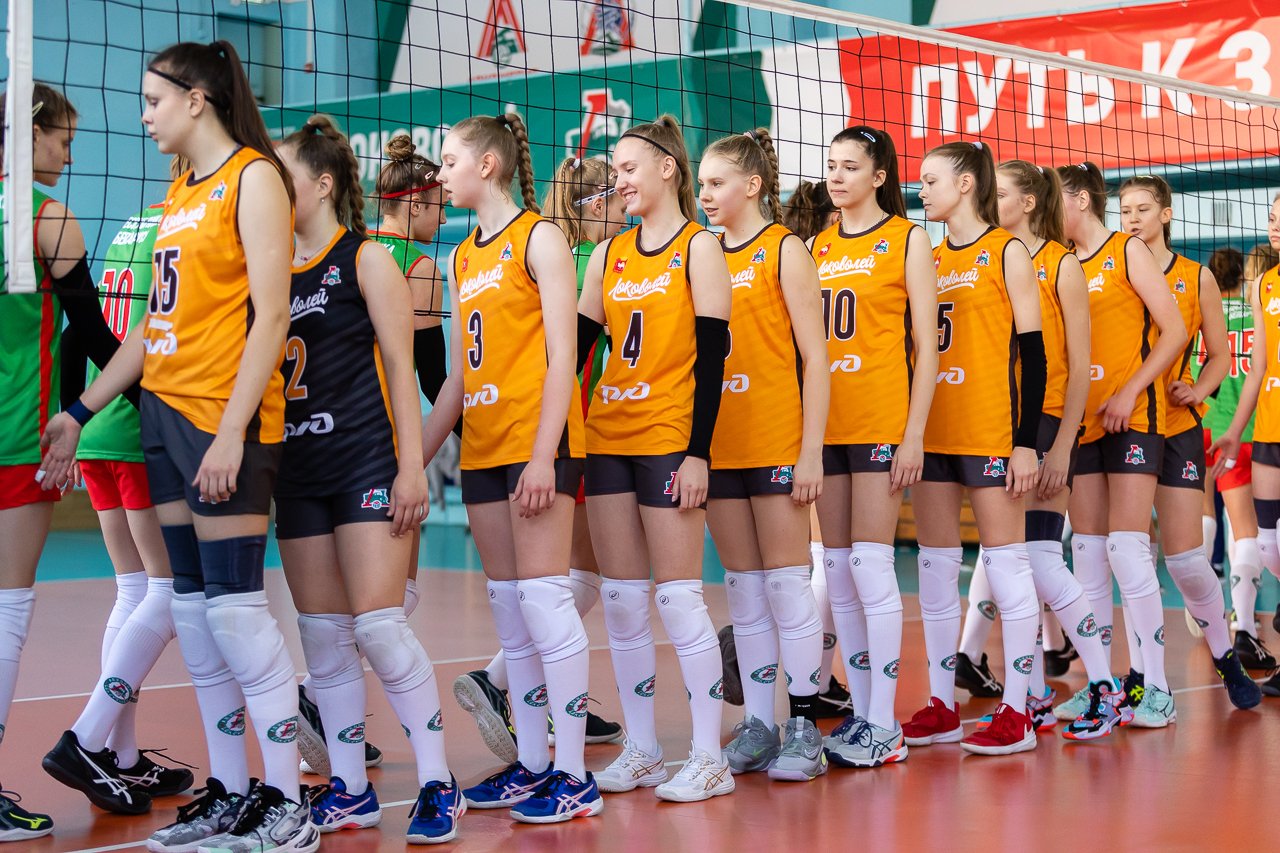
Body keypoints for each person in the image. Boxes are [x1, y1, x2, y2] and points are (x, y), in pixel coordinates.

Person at [38, 41, 318, 853]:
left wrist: (232, 428)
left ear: (197, 99)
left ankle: (285, 803)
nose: (144, 115)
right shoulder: (180, 192)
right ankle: (229, 791)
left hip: (221, 422)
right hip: (161, 418)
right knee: (193, 612)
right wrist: (80, 409)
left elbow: (272, 314)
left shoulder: (254, 178)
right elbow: (153, 326)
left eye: (154, 100)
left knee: (235, 611)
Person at [271, 116, 465, 841]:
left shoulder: (368, 260)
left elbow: (404, 371)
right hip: (299, 472)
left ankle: (438, 782)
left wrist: (412, 467)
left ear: (322, 184)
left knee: (380, 626)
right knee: (322, 637)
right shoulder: (271, 269)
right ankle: (349, 788)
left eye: (284, 176)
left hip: (363, 463)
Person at [420, 112, 601, 823]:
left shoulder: (540, 238)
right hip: (484, 449)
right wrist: (410, 460)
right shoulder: (463, 257)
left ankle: (574, 774)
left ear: (487, 165)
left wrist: (543, 454)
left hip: (537, 445)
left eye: (450, 160)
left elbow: (563, 356)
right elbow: (457, 380)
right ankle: (531, 764)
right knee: (510, 609)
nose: (441, 173)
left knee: (546, 601)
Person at [576, 116, 735, 801]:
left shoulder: (699, 248)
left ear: (668, 167)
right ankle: (641, 749)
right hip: (608, 436)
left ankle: (709, 756)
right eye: (615, 170)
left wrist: (699, 454)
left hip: (670, 436)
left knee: (677, 596)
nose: (619, 181)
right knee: (620, 599)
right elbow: (575, 348)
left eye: (629, 168)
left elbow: (714, 361)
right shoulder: (607, 254)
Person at [451, 154, 627, 763]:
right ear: (595, 202)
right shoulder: (595, 259)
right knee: (578, 582)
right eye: (616, 196)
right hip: (589, 431)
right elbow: (573, 356)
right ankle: (507, 686)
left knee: (548, 587)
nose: (625, 206)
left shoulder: (544, 248)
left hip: (545, 435)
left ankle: (523, 698)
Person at [0, 81, 135, 840]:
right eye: (63, 139)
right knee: (7, 610)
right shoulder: (45, 218)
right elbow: (91, 332)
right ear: (30, 135)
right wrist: (155, 393)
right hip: (17, 438)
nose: (71, 155)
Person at [959, 160, 1124, 739]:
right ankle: (1029, 696)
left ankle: (1104, 688)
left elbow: (1079, 366)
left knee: (1043, 560)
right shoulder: (990, 257)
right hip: (1001, 424)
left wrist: (1062, 447)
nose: (991, 200)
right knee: (1014, 566)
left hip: (1048, 424)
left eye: (1001, 193)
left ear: (1028, 202)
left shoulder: (1060, 263)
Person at [697, 128, 830, 781]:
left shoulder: (784, 249)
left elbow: (816, 360)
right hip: (720, 444)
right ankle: (758, 722)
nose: (705, 194)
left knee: (785, 583)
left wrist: (811, 452)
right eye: (701, 183)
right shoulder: (701, 253)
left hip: (776, 438)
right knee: (743, 590)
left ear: (752, 186)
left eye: (717, 182)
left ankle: (804, 725)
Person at [906, 140, 1046, 756]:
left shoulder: (1006, 251)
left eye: (931, 180)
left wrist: (1026, 444)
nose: (921, 191)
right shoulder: (929, 256)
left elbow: (1035, 356)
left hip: (991, 431)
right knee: (935, 572)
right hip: (933, 433)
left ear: (966, 183)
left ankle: (1018, 711)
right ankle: (942, 704)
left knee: (1009, 568)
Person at [59, 187, 195, 809]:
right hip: (140, 428)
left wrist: (73, 412)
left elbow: (77, 331)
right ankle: (88, 740)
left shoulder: (128, 225)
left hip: (96, 427)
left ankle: (124, 756)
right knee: (169, 589)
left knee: (132, 588)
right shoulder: (183, 228)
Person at [808, 126, 937, 767]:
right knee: (835, 571)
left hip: (881, 422)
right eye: (831, 165)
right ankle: (862, 716)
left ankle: (884, 724)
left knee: (871, 566)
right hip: (825, 426)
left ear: (879, 176)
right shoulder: (816, 244)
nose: (836, 176)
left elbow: (927, 349)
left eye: (850, 167)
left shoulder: (908, 239)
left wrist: (913, 435)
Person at [1115, 175, 1260, 710]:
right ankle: (1140, 675)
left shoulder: (1196, 277)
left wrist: (1198, 391)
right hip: (1121, 429)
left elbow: (1220, 355)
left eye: (1143, 208)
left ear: (1167, 214)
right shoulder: (1108, 272)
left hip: (1176, 428)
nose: (1132, 218)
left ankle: (1226, 654)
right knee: (1129, 554)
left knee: (1186, 561)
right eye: (1124, 210)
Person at [1055, 161, 1187, 729]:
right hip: (1082, 422)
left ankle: (1156, 687)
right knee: (1087, 555)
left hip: (1133, 417)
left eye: (1055, 198)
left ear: (1082, 200)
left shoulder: (1125, 250)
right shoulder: (1060, 261)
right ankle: (1102, 688)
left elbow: (1175, 331)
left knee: (1127, 550)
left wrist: (1130, 391)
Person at [1211, 198, 1280, 698]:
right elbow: (1257, 367)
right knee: (1268, 544)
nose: (1274, 226)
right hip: (1267, 430)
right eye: (1272, 218)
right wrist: (1235, 430)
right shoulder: (1264, 285)